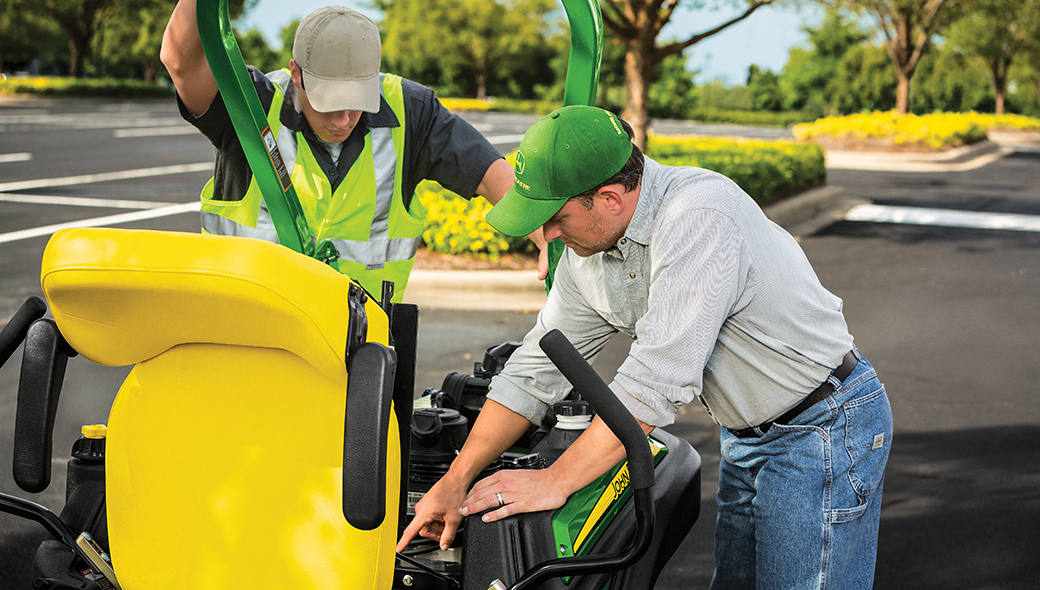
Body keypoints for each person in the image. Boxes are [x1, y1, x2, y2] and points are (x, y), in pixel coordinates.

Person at [399, 105, 893, 589]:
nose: (545, 233)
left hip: (821, 429)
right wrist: (457, 479)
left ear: (611, 199)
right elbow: (535, 370)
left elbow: (655, 379)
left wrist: (556, 480)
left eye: (557, 217)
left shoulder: (697, 217)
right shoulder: (586, 255)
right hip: (747, 437)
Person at [160, 2, 544, 300]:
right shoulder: (250, 105)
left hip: (359, 357)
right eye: (329, 103)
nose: (343, 119)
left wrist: (545, 235)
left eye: (358, 101)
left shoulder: (411, 110)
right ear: (297, 74)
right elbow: (179, 59)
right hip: (248, 339)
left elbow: (490, 174)